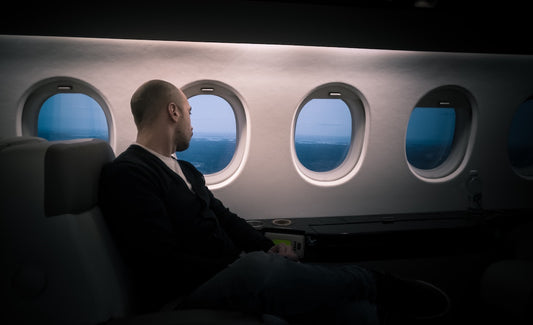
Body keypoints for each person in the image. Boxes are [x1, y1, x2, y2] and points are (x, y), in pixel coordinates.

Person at [99, 79, 450, 324]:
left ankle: (376, 306)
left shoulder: (185, 168)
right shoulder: (130, 173)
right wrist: (238, 265)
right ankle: (379, 283)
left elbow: (225, 217)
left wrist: (267, 246)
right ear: (173, 112)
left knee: (351, 312)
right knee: (258, 270)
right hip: (183, 292)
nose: (194, 123)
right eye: (190, 112)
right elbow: (160, 263)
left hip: (225, 273)